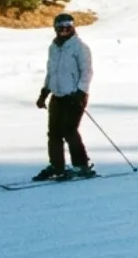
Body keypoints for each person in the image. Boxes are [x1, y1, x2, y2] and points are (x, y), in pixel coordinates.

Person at [34, 12, 94, 181]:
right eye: (60, 27)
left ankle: (81, 165)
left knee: (69, 130)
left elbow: (87, 72)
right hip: (57, 96)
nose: (64, 30)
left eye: (67, 27)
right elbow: (51, 72)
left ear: (73, 27)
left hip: (74, 96)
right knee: (53, 133)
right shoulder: (53, 47)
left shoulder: (80, 47)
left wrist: (81, 92)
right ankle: (57, 166)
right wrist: (44, 92)